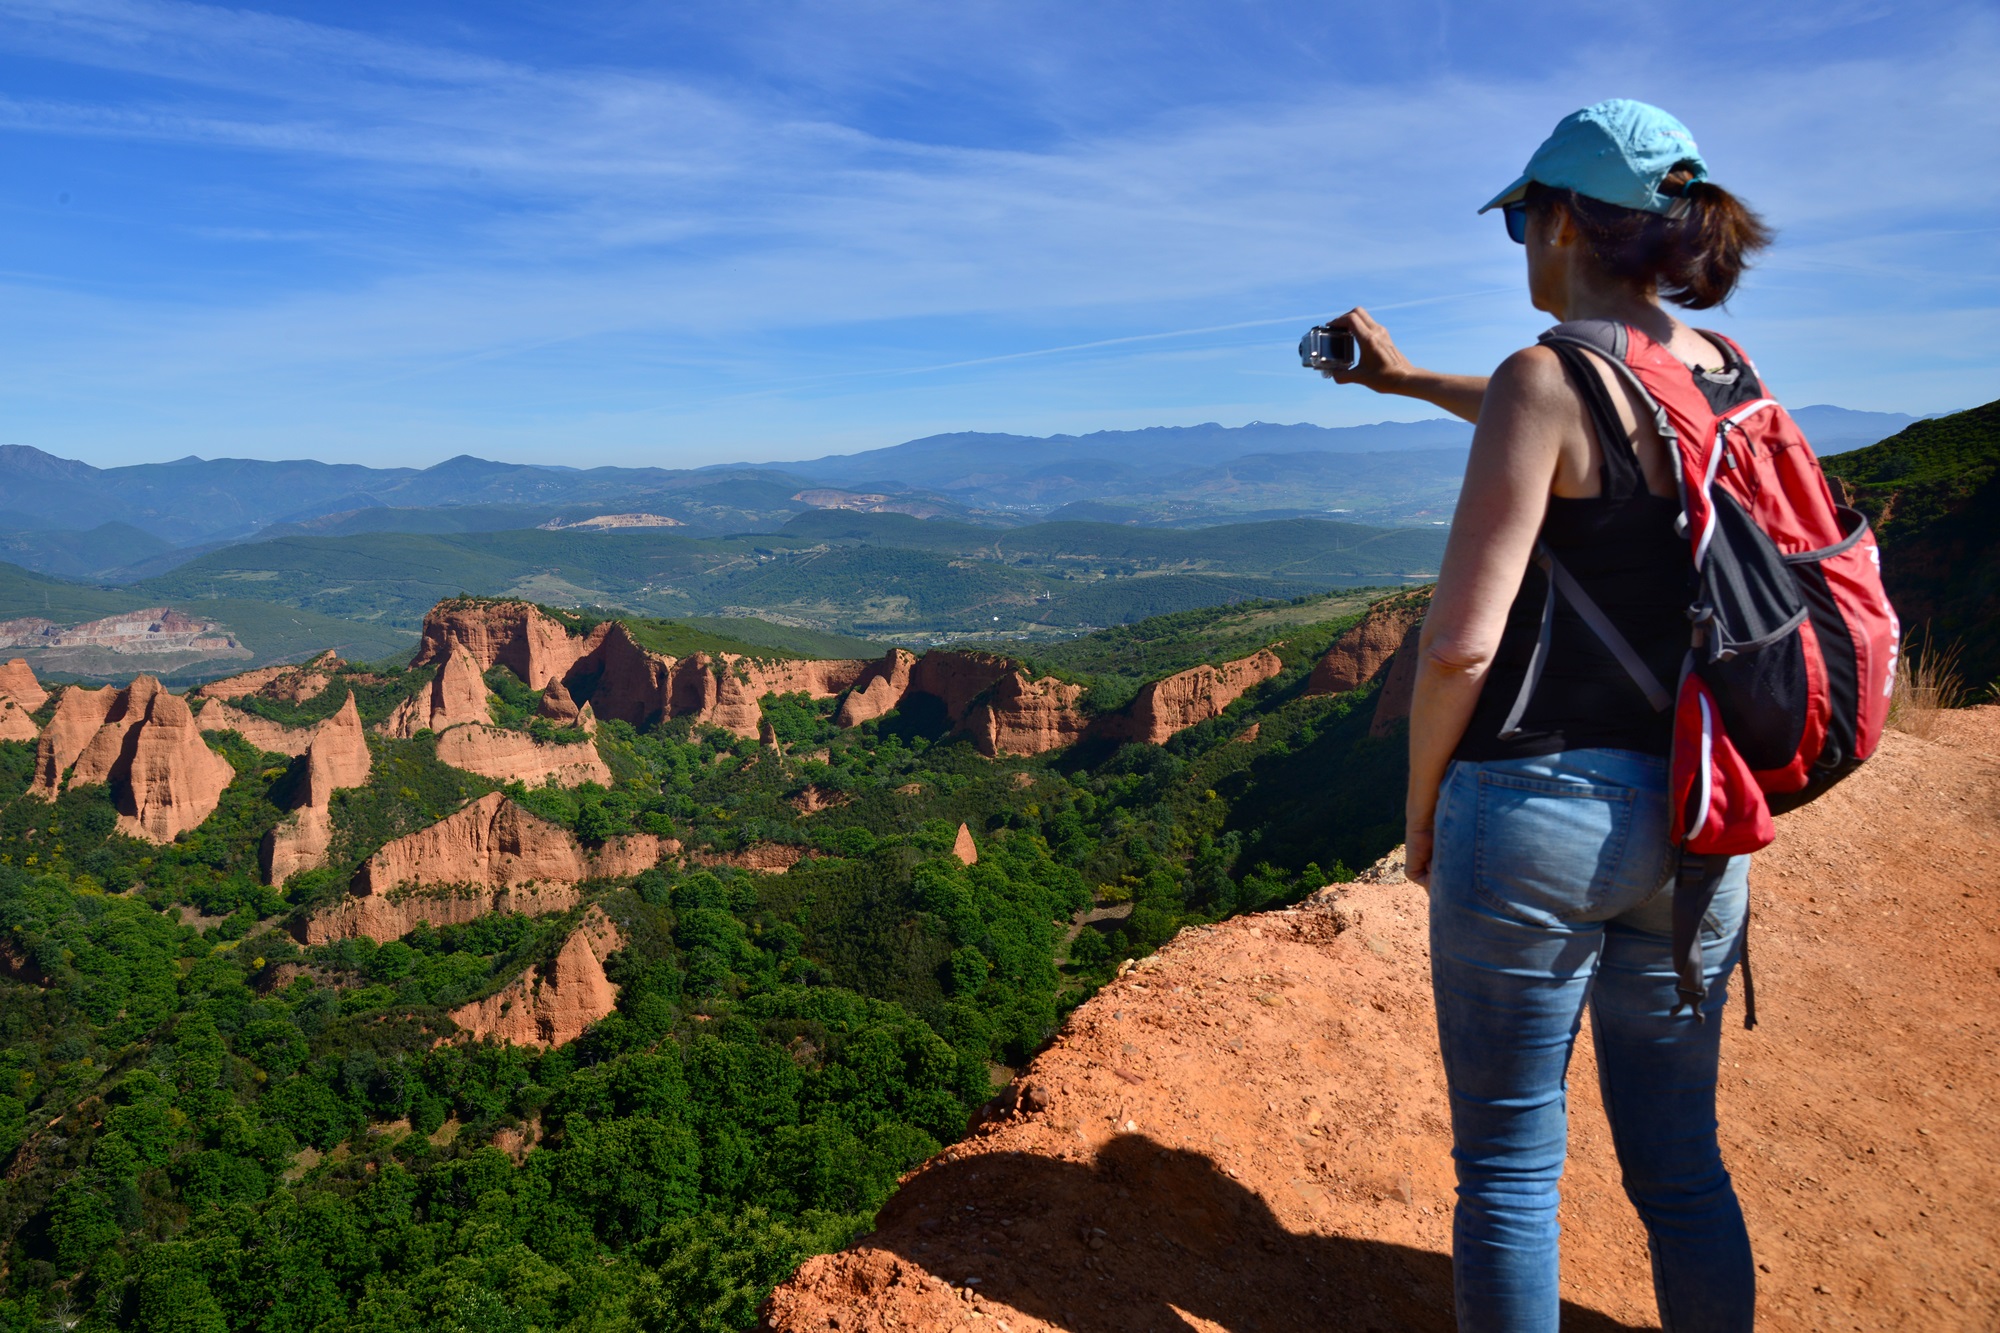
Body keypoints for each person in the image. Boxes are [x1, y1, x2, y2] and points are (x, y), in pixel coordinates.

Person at [1315, 99, 1773, 1332]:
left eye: (1522, 215)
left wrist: (1418, 811)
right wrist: (1408, 381)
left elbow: (1460, 643)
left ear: (1564, 217)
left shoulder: (1545, 377)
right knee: (1682, 1169)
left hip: (1537, 815)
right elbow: (1594, 412)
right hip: (1697, 815)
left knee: (1511, 1179)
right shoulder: (1726, 379)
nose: (1518, 238)